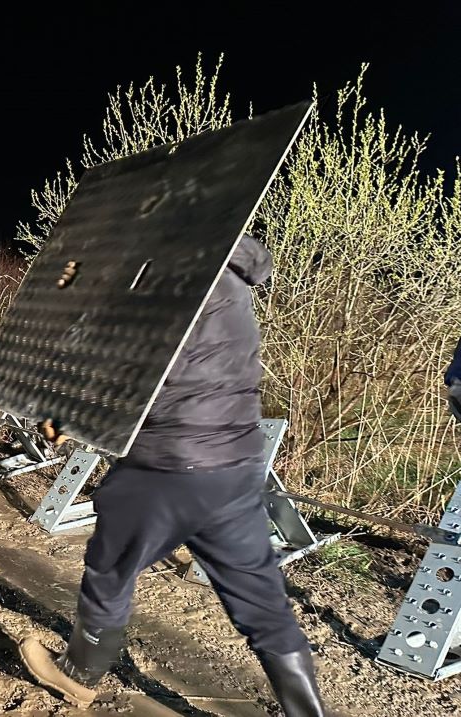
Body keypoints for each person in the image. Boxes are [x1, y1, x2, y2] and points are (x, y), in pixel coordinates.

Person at [19, 235, 326, 716]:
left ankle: (78, 674)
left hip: (165, 464)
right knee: (262, 603)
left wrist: (63, 406)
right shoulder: (234, 274)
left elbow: (113, 361)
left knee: (110, 568)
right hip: (237, 465)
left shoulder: (160, 272)